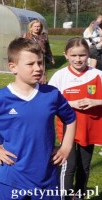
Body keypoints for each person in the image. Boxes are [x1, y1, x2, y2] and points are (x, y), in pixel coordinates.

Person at [0, 37, 77, 200]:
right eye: (30, 64)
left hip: (46, 177)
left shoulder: (51, 94)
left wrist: (66, 147)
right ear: (13, 67)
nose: (38, 68)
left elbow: (70, 118)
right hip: (12, 177)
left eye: (40, 62)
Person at [48, 37, 102, 199]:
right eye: (74, 55)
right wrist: (71, 103)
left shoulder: (98, 74)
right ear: (66, 55)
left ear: (88, 56)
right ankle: (64, 196)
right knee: (68, 166)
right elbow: (49, 102)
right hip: (67, 129)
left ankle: (79, 195)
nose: (78, 59)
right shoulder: (60, 76)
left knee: (84, 166)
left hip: (90, 129)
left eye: (82, 55)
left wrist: (96, 101)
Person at [22, 19, 54, 83]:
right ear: (31, 27)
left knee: (42, 75)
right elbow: (22, 47)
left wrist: (51, 58)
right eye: (35, 26)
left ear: (41, 27)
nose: (37, 28)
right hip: (30, 57)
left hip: (41, 58)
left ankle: (42, 87)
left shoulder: (44, 36)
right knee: (31, 73)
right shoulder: (26, 35)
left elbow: (47, 48)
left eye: (38, 26)